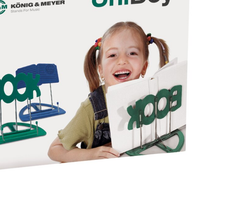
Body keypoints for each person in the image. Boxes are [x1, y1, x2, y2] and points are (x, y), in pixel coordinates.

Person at [47, 21, 169, 162]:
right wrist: (91, 155)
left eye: (132, 53)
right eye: (112, 55)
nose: (122, 61)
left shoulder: (150, 96)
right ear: (101, 70)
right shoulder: (91, 109)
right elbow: (54, 149)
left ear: (144, 67)